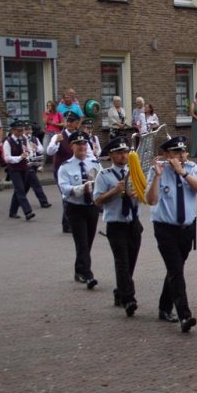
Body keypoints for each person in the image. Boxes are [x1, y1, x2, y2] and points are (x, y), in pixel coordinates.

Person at [146, 136, 197, 332]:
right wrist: (157, 176)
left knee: (176, 269)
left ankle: (164, 307)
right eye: (176, 152)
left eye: (183, 152)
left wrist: (183, 173)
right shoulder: (156, 171)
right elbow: (151, 200)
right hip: (165, 228)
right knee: (175, 270)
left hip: (187, 229)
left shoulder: (191, 168)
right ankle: (184, 315)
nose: (181, 156)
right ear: (167, 154)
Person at [93, 137, 142, 318]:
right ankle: (129, 299)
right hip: (116, 224)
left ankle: (120, 292)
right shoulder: (104, 175)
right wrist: (115, 190)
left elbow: (143, 191)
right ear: (112, 155)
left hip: (133, 223)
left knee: (131, 262)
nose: (124, 156)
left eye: (126, 152)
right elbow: (97, 201)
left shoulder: (135, 171)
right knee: (122, 262)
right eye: (120, 153)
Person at [57, 131, 103, 289]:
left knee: (88, 241)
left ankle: (79, 270)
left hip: (91, 207)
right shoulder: (65, 167)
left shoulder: (95, 163)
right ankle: (87, 274)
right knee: (82, 242)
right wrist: (81, 188)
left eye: (84, 144)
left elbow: (102, 180)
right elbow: (64, 188)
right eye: (78, 144)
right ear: (72, 146)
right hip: (75, 207)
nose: (82, 147)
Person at [47, 111, 82, 233]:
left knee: (73, 195)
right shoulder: (58, 135)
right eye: (68, 121)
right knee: (66, 195)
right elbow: (49, 152)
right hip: (61, 171)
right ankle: (68, 223)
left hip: (75, 170)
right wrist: (56, 141)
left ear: (77, 124)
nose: (69, 123)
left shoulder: (79, 136)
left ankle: (67, 223)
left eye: (72, 122)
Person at [2, 120, 39, 221]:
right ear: (13, 131)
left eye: (21, 130)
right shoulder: (7, 142)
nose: (21, 132)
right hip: (14, 169)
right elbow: (7, 158)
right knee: (20, 190)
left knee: (20, 190)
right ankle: (28, 211)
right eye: (18, 130)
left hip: (24, 168)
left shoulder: (24, 139)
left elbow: (29, 150)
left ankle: (12, 211)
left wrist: (31, 152)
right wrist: (19, 157)